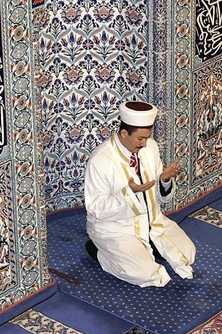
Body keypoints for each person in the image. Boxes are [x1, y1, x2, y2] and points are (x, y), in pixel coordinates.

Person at [84, 101, 196, 287]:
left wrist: (164, 180)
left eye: (147, 138)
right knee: (145, 274)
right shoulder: (101, 160)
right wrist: (129, 194)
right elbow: (96, 208)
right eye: (140, 139)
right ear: (124, 133)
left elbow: (159, 195)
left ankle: (148, 244)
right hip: (116, 229)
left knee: (188, 254)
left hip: (153, 222)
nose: (144, 144)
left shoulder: (150, 147)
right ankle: (97, 250)